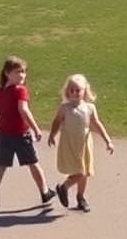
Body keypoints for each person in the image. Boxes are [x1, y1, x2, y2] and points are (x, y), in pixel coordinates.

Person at [0, 55, 56, 214]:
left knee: (2, 166)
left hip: (4, 136)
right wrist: (36, 129)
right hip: (20, 135)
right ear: (7, 73)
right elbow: (23, 110)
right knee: (32, 163)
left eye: (24, 72)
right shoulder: (19, 90)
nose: (22, 75)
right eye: (18, 72)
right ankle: (44, 192)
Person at [47, 73, 114, 213]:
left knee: (85, 172)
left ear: (84, 91)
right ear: (67, 92)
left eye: (78, 90)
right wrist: (52, 135)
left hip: (84, 144)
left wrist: (107, 140)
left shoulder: (89, 108)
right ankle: (64, 187)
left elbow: (97, 124)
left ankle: (80, 197)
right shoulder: (65, 108)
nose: (74, 93)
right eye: (71, 90)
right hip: (70, 144)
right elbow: (57, 122)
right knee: (81, 172)